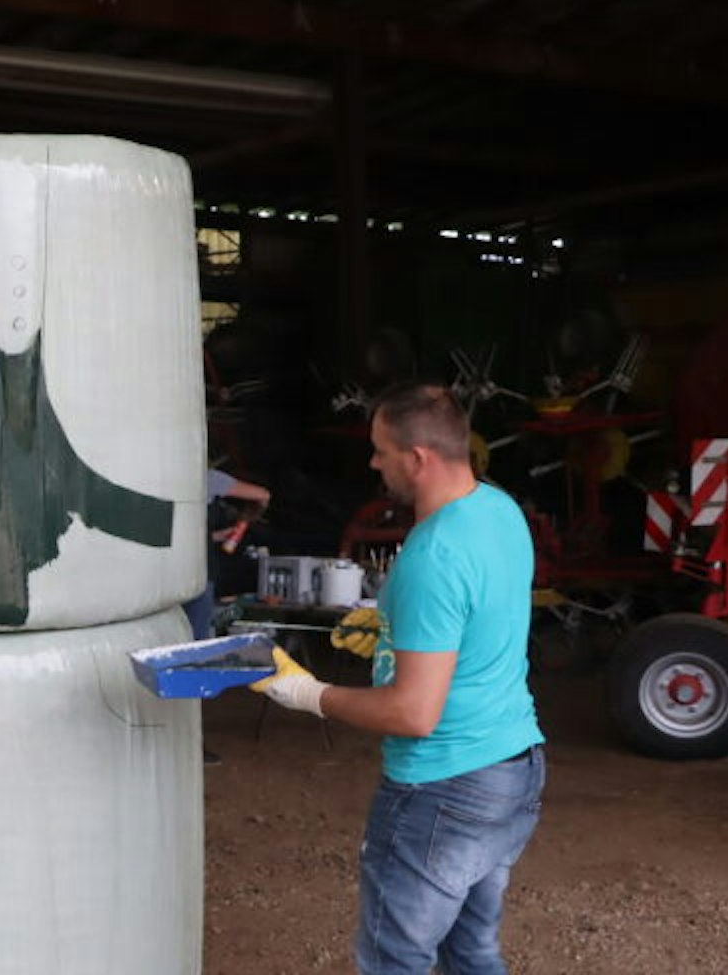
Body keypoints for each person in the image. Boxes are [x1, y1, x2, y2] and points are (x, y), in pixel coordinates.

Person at [253, 383, 545, 974]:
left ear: (417, 458)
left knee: (394, 960)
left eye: (381, 451)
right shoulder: (499, 510)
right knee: (470, 953)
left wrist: (309, 694)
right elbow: (475, 619)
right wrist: (391, 630)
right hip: (512, 766)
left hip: (444, 788)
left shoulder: (433, 556)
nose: (372, 463)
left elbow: (414, 714)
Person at [184, 467, 271, 641]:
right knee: (198, 635)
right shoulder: (208, 477)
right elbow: (262, 495)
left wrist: (216, 536)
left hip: (177, 570)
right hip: (201, 573)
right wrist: (253, 512)